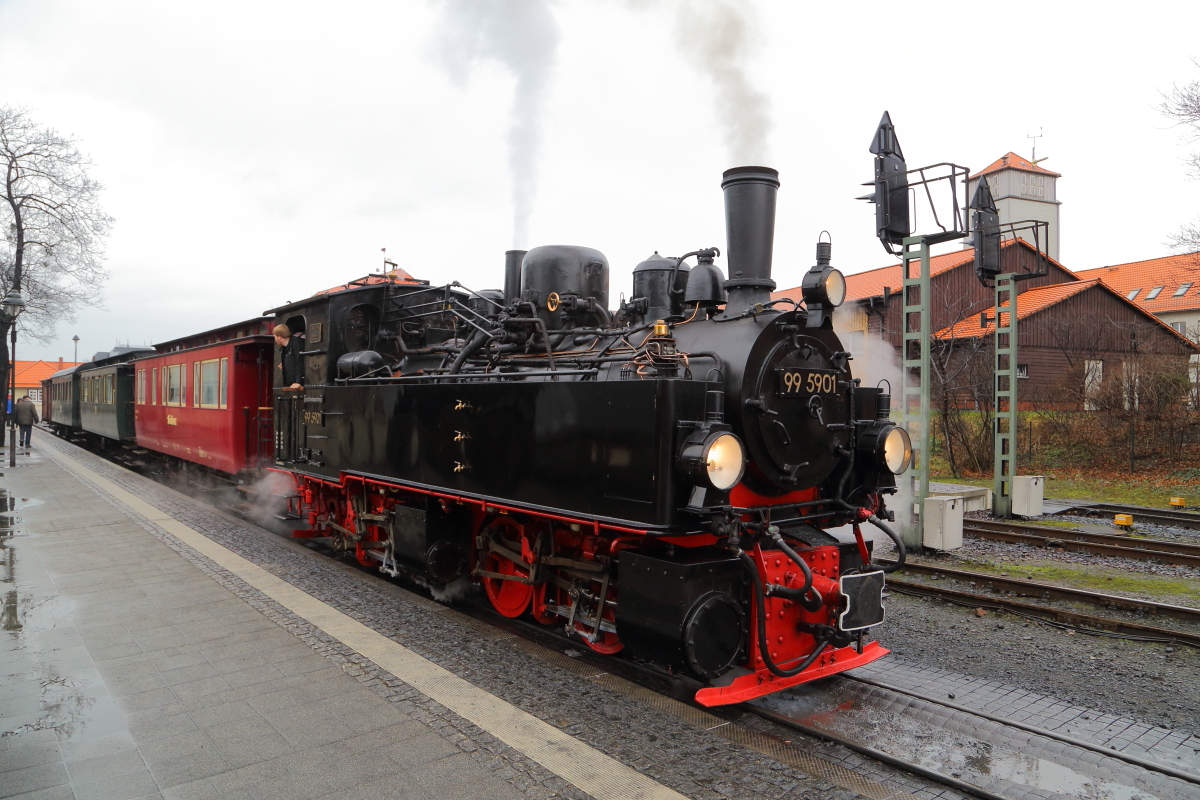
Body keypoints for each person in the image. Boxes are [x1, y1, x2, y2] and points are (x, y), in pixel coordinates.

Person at [274, 324, 305, 390]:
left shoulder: (296, 342)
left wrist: (298, 382)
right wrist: (285, 366)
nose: (275, 339)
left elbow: (300, 362)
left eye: (275, 337)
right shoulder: (284, 348)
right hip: (291, 385)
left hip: (298, 385)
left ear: (279, 337)